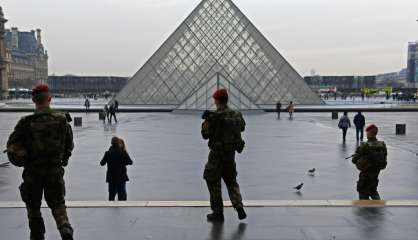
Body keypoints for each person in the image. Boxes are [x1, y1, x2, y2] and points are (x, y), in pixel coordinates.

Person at [6, 84, 74, 240]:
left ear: (33, 100)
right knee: (58, 205)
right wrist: (64, 159)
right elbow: (69, 145)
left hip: (32, 172)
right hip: (55, 171)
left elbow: (12, 145)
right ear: (49, 99)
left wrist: (21, 158)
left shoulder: (25, 122)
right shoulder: (62, 120)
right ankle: (65, 229)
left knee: (33, 207)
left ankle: (37, 234)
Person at [201, 89, 247, 222]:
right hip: (230, 155)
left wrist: (205, 121)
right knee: (231, 181)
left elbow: (204, 135)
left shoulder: (213, 117)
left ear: (217, 100)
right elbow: (242, 128)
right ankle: (238, 206)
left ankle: (218, 212)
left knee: (212, 181)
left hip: (216, 155)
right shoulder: (236, 114)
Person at [352, 124, 387, 200]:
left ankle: (365, 209)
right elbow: (384, 159)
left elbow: (354, 160)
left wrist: (357, 156)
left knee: (363, 192)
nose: (366, 134)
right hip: (375, 173)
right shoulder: (382, 145)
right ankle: (378, 205)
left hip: (365, 174)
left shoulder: (364, 146)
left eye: (367, 132)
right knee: (373, 191)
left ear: (369, 133)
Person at [100, 137, 133, 201]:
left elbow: (102, 163)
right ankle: (123, 208)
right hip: (121, 176)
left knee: (111, 195)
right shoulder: (123, 152)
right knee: (122, 194)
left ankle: (111, 208)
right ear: (118, 143)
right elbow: (130, 162)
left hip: (111, 177)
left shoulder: (107, 153)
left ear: (111, 143)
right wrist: (123, 163)